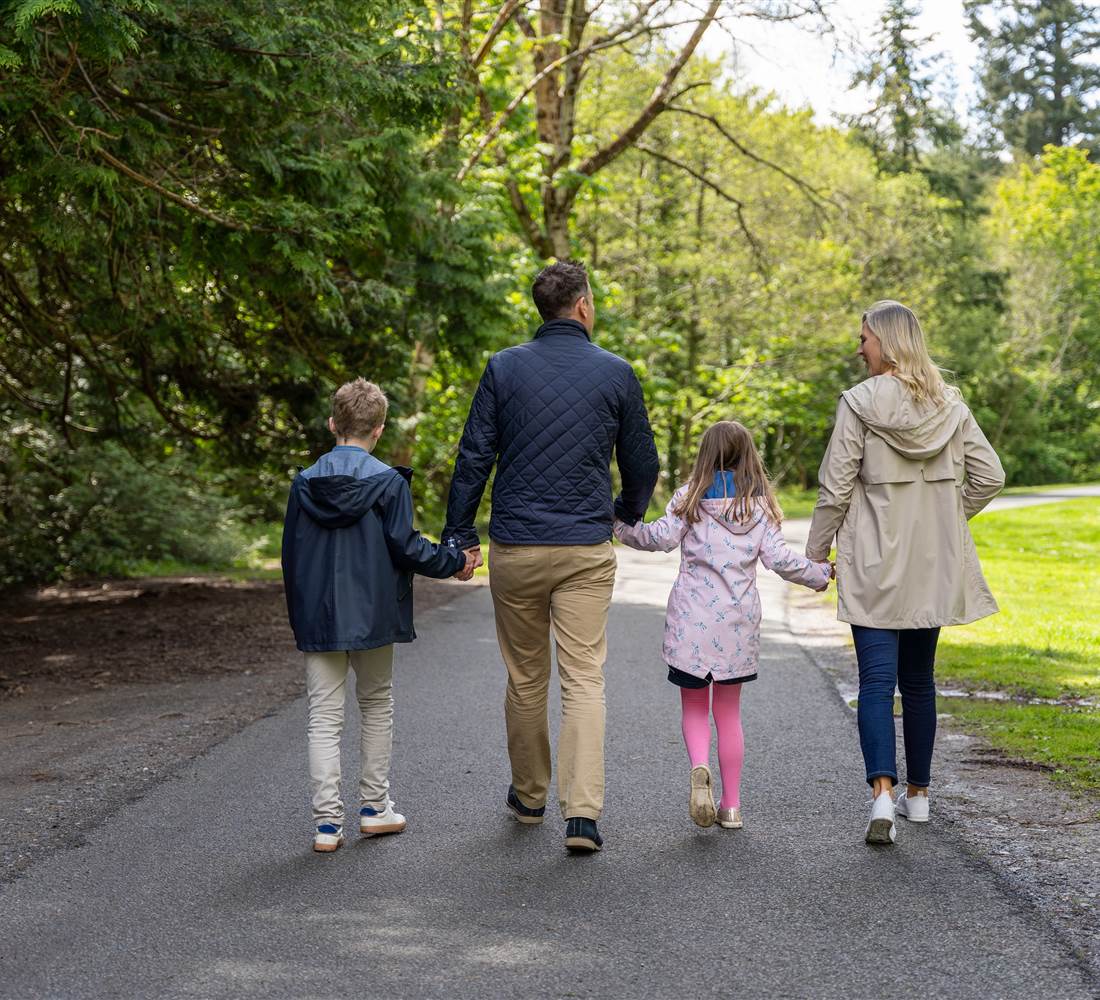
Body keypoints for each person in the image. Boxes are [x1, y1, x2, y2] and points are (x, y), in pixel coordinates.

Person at [443, 260, 659, 853]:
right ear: (584, 305)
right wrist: (626, 512)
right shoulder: (615, 373)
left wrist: (460, 533)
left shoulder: (504, 368)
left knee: (525, 676)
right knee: (584, 677)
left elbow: (473, 458)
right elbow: (644, 462)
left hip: (517, 546)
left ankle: (530, 796)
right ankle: (583, 814)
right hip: (585, 549)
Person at [805, 300, 1005, 845]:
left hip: (872, 563)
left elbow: (835, 486)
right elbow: (990, 476)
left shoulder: (859, 403)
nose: (858, 347)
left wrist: (816, 554)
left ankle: (882, 798)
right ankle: (919, 797)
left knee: (876, 682)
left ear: (886, 344)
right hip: (930, 564)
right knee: (919, 681)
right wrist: (944, 517)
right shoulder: (949, 405)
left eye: (864, 338)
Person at [282, 378, 474, 853]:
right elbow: (406, 547)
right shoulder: (387, 483)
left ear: (332, 424)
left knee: (323, 718)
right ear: (379, 429)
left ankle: (327, 825)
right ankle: (374, 809)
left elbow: (291, 556)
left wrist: (302, 612)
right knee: (375, 705)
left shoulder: (304, 484)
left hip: (319, 616)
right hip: (372, 614)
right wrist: (454, 561)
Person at [614, 421, 831, 830]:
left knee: (694, 707)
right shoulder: (759, 507)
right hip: (737, 623)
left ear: (705, 455)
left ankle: (700, 769)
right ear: (749, 456)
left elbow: (655, 538)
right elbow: (780, 561)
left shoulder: (689, 500)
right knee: (729, 713)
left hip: (691, 623)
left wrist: (619, 525)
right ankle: (731, 806)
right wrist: (820, 573)